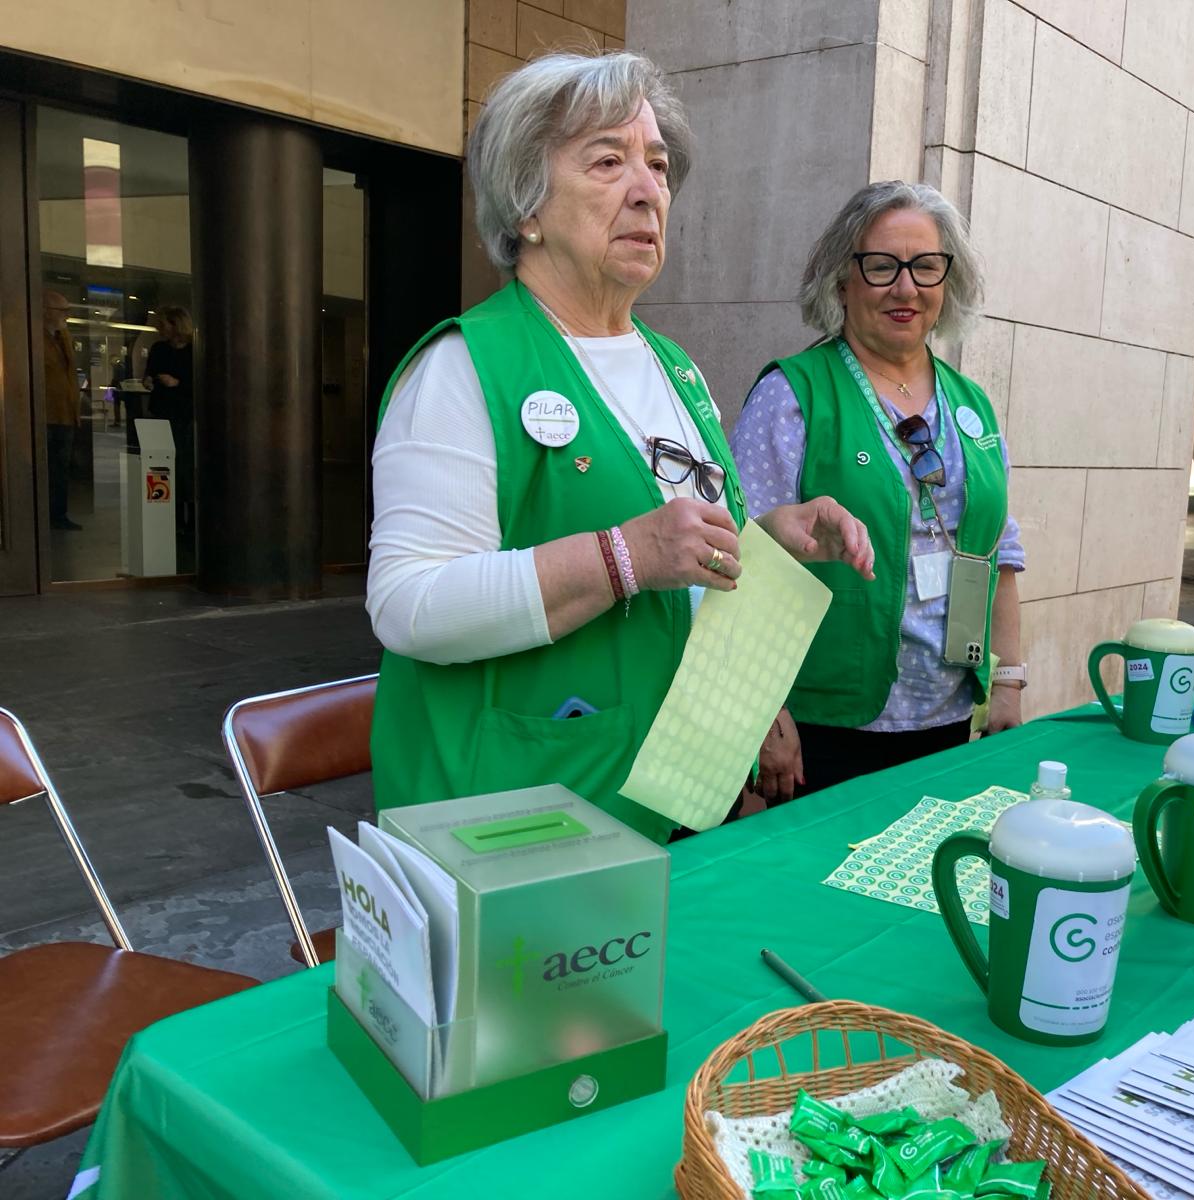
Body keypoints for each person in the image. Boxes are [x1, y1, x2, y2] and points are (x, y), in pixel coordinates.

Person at [365, 52, 874, 843]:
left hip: (669, 796)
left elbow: (685, 561)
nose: (648, 190)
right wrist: (619, 558)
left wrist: (764, 542)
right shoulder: (465, 367)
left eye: (659, 166)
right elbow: (408, 606)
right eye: (608, 160)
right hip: (516, 821)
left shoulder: (674, 367)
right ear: (526, 205)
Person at [732, 181, 1027, 803]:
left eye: (925, 266)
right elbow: (742, 557)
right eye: (881, 266)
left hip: (948, 711)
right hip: (826, 725)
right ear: (842, 280)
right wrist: (765, 712)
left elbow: (1002, 552)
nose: (906, 287)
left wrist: (1008, 683)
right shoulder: (793, 394)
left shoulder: (970, 404)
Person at [145, 306, 196, 532]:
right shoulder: (158, 349)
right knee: (161, 467)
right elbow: (149, 374)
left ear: (176, 325)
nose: (159, 328)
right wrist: (149, 381)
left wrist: (177, 384)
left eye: (163, 324)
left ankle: (191, 517)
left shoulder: (194, 352)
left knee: (186, 466)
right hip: (162, 414)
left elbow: (201, 383)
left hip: (185, 416)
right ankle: (168, 517)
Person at [42, 291, 82, 531]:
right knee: (45, 467)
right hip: (45, 414)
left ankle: (58, 513)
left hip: (64, 414)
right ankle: (43, 515)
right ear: (45, 311)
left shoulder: (63, 336)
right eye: (62, 311)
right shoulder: (35, 337)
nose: (66, 316)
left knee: (60, 468)